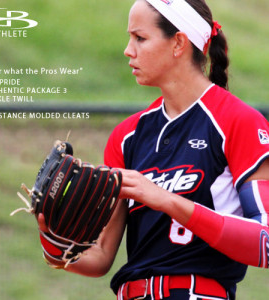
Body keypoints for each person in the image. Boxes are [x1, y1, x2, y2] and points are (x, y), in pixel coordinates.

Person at [38, 0, 269, 299]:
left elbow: (264, 243)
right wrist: (54, 243)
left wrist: (166, 200)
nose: (128, 50)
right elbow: (100, 257)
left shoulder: (237, 121)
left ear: (178, 43)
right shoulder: (127, 136)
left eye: (140, 38)